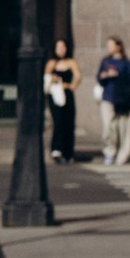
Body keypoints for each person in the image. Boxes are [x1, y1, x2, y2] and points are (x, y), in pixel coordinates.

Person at [94, 35, 130, 168]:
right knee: (107, 128)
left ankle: (122, 155)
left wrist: (118, 75)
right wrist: (104, 76)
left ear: (118, 47)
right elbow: (99, 76)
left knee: (123, 129)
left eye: (111, 45)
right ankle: (109, 151)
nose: (109, 48)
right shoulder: (105, 61)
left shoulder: (126, 63)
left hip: (122, 99)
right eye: (108, 46)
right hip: (107, 98)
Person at [43, 36, 79, 164]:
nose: (61, 50)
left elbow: (77, 76)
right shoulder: (51, 63)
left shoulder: (71, 62)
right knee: (58, 122)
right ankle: (57, 149)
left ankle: (68, 152)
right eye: (58, 47)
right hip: (55, 95)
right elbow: (46, 78)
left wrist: (71, 86)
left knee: (69, 122)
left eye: (63, 47)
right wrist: (52, 79)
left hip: (67, 94)